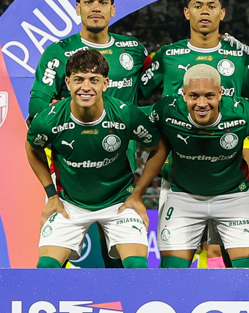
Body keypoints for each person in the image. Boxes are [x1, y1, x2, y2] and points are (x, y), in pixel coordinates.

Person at [26, 49, 160, 269]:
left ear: (105, 84)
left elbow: (159, 146)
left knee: (138, 268)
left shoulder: (125, 114)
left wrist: (138, 193)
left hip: (119, 201)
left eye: (93, 80)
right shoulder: (49, 119)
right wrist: (51, 194)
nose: (85, 87)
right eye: (78, 80)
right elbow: (32, 148)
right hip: (69, 203)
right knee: (45, 270)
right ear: (67, 83)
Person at [146, 65, 249, 268]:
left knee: (247, 274)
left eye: (209, 96)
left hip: (234, 197)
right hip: (184, 197)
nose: (202, 103)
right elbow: (128, 122)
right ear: (183, 95)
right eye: (194, 96)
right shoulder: (167, 110)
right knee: (171, 275)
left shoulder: (243, 112)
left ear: (221, 94)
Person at [28, 0, 148, 118]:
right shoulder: (58, 52)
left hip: (123, 139)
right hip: (74, 139)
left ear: (112, 10)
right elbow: (36, 104)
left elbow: (156, 79)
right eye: (88, 2)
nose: (96, 8)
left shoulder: (134, 49)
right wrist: (60, 112)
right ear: (78, 8)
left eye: (103, 2)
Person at [139, 0, 249, 105]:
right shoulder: (167, 55)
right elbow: (136, 93)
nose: (205, 11)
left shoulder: (240, 57)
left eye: (212, 6)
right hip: (174, 130)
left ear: (222, 13)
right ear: (187, 13)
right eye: (198, 6)